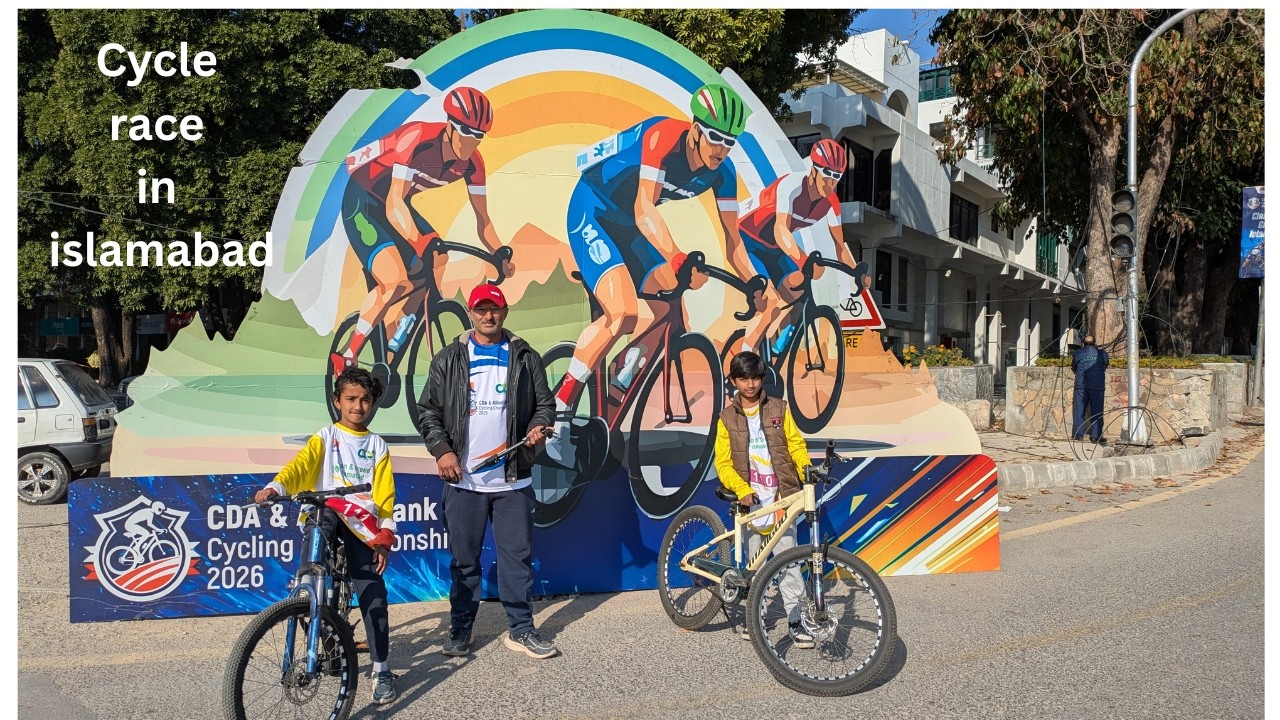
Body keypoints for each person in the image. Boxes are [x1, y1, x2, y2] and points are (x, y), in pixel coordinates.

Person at [546, 82, 756, 461]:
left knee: (671, 311)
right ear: (695, 128)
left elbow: (733, 239)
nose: (720, 149)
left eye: (730, 142)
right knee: (624, 313)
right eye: (713, 137)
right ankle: (558, 412)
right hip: (593, 209)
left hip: (628, 226)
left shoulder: (722, 174)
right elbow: (645, 207)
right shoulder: (663, 136)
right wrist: (676, 258)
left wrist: (752, 281)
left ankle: (622, 375)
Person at [331, 85, 515, 375]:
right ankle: (349, 355)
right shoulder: (416, 139)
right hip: (364, 201)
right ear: (450, 126)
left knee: (437, 260)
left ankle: (394, 344)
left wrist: (499, 253)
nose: (471, 143)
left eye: (478, 136)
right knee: (395, 281)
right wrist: (419, 241)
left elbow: (484, 220)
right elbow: (393, 205)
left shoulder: (473, 165)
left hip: (397, 204)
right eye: (466, 132)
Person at [417, 283, 558, 659]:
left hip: (513, 480)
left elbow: (545, 405)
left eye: (493, 309)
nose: (487, 316)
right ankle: (461, 631)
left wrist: (539, 426)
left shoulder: (526, 357)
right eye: (480, 310)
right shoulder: (449, 359)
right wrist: (443, 451)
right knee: (464, 562)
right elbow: (428, 412)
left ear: (505, 311)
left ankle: (522, 630)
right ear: (470, 312)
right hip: (463, 481)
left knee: (517, 559)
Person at [254, 367, 400, 705]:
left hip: (362, 526)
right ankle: (325, 636)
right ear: (337, 401)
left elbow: (386, 498)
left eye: (365, 400)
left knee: (372, 594)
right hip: (326, 516)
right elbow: (300, 466)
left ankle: (382, 670)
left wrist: (383, 538)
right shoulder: (326, 437)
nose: (358, 406)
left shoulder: (377, 445)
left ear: (373, 403)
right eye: (350, 399)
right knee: (311, 583)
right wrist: (276, 485)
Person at [713, 351, 815, 648]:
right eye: (743, 378)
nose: (750, 384)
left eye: (756, 377)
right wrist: (741, 488)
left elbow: (795, 446)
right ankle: (751, 615)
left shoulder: (779, 409)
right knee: (752, 564)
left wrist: (805, 469)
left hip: (782, 498)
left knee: (788, 562)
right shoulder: (726, 418)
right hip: (750, 503)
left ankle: (796, 621)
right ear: (733, 380)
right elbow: (723, 463)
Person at [731, 138, 867, 359]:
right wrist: (804, 260)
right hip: (747, 238)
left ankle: (772, 342)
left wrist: (856, 272)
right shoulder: (792, 185)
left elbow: (839, 246)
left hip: (774, 249)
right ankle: (742, 366)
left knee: (801, 289)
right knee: (771, 302)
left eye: (837, 177)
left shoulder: (830, 203)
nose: (831, 183)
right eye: (827, 174)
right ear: (813, 170)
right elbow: (781, 231)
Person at [1071, 334, 1109, 443]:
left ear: (1083, 343)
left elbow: (1074, 367)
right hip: (1097, 386)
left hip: (1081, 386)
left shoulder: (1078, 353)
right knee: (1097, 411)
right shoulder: (1103, 354)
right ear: (1095, 343)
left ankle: (1078, 435)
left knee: (1079, 411)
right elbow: (1105, 365)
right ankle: (1095, 436)